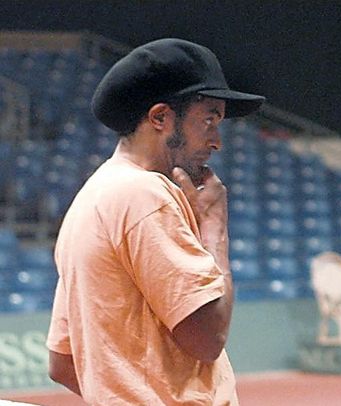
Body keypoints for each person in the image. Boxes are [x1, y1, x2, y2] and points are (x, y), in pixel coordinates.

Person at [46, 38, 265, 404]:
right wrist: (213, 227)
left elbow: (62, 362)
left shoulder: (94, 195)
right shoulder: (145, 196)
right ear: (160, 117)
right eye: (208, 119)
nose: (217, 141)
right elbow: (208, 338)